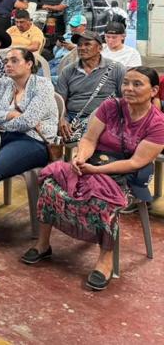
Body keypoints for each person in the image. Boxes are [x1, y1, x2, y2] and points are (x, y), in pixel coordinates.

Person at [23, 68, 164, 291]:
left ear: (154, 90)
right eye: (126, 83)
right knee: (51, 183)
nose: (128, 88)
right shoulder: (110, 107)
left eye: (137, 84)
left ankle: (105, 259)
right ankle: (43, 244)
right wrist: (80, 158)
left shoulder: (157, 124)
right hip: (94, 162)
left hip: (127, 174)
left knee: (102, 202)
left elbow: (136, 162)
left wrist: (96, 171)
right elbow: (89, 139)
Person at [0, 48, 58, 198]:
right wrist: (10, 114)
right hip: (2, 136)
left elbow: (27, 122)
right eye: (6, 61)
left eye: (14, 61)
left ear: (29, 64)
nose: (8, 65)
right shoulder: (2, 84)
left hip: (33, 140)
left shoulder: (43, 85)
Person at [56, 30, 125, 142]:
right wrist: (62, 119)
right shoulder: (68, 71)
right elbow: (60, 101)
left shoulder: (116, 69)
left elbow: (125, 100)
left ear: (100, 48)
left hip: (104, 119)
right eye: (79, 45)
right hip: (73, 118)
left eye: (87, 44)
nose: (82, 48)